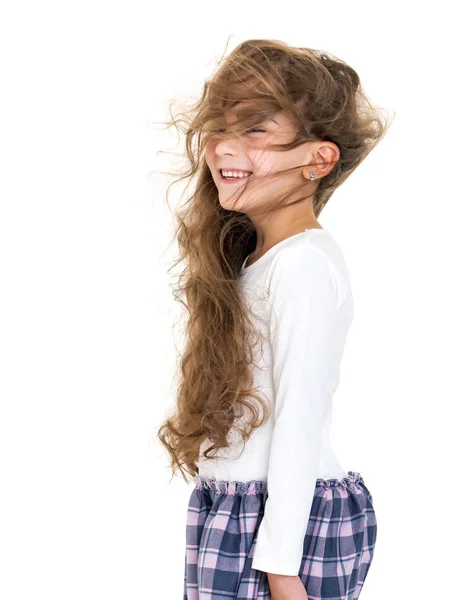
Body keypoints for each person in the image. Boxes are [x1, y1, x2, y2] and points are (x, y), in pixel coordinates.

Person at [157, 38, 392, 599]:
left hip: (282, 523)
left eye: (255, 130)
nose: (222, 148)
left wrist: (283, 570)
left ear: (318, 158)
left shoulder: (303, 265)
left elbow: (298, 420)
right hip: (239, 508)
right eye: (219, 128)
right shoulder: (261, 262)